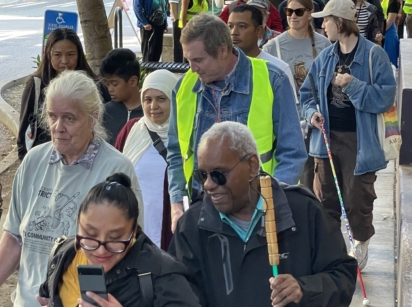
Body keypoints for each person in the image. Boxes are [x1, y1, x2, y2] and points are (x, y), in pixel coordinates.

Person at [0, 70, 144, 307]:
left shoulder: (116, 169)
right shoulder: (34, 161)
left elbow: (124, 257)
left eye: (69, 118)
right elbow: (14, 235)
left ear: (93, 117)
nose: (58, 128)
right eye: (52, 117)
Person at [170, 121, 357, 307]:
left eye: (219, 174)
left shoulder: (302, 211)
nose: (209, 185)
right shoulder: (192, 228)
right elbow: (178, 301)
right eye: (203, 175)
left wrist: (305, 289)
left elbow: (343, 278)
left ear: (252, 166)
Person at [31, 173, 207, 307]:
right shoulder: (63, 256)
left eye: (115, 239)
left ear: (133, 231)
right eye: (90, 234)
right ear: (78, 223)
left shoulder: (159, 272)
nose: (100, 250)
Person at [167, 13, 307, 232]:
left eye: (198, 60)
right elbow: (176, 152)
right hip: (202, 213)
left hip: (257, 212)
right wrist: (177, 203)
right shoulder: (184, 88)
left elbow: (293, 153)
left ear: (223, 50)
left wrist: (270, 206)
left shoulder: (273, 80)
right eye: (188, 60)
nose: (192, 68)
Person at [300, 0, 396, 269]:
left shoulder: (373, 56)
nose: (322, 25)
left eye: (326, 20)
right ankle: (333, 251)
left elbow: (384, 98)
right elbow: (306, 94)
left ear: (340, 22)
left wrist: (352, 85)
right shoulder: (325, 57)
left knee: (357, 199)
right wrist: (311, 114)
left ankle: (360, 241)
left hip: (360, 141)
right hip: (327, 138)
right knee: (326, 200)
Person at [264, 0, 331, 192]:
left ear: (310, 13)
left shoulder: (323, 44)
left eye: (299, 11)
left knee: (313, 184)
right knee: (288, 181)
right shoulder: (273, 47)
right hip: (285, 123)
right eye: (289, 11)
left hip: (315, 124)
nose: (293, 16)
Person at [16, 28, 110, 161]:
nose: (64, 61)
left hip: (88, 162)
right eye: (57, 55)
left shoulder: (94, 87)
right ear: (48, 54)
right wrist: (26, 165)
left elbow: (105, 126)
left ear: (79, 54)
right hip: (45, 162)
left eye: (71, 54)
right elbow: (23, 132)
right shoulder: (36, 85)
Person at [115, 70, 179, 250]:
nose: (153, 106)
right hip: (134, 229)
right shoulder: (131, 130)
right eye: (147, 99)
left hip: (170, 230)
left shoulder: (185, 134)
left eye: (161, 98)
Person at [228, 5, 298, 97]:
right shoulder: (219, 68)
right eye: (230, 26)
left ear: (259, 31)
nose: (234, 32)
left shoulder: (279, 69)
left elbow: (289, 110)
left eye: (242, 26)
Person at [100, 49, 144, 145]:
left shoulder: (148, 111)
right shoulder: (105, 112)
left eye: (114, 84)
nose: (110, 89)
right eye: (107, 84)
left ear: (132, 81)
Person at [219, 0, 284, 33]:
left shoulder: (266, 5)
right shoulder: (231, 7)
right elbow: (219, 28)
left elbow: (278, 26)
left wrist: (269, 38)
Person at [381, 0, 401, 67]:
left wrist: (381, 32)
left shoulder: (393, 2)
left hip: (389, 33)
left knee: (390, 61)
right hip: (382, 30)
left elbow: (390, 20)